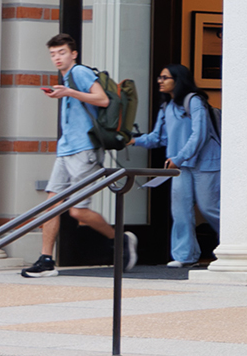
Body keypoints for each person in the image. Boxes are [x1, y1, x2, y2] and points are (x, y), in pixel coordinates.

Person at [21, 34, 136, 277]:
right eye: (53, 54)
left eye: (61, 52)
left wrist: (69, 93)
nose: (57, 58)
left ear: (73, 53)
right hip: (66, 149)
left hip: (85, 150)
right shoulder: (66, 79)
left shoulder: (80, 72)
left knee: (77, 211)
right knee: (51, 205)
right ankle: (46, 259)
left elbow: (102, 99)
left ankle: (121, 238)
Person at [128, 64, 222, 268]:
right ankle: (184, 255)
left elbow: (200, 134)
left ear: (178, 80)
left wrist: (178, 158)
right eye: (159, 78)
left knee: (209, 208)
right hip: (180, 166)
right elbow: (158, 138)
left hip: (205, 163)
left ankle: (231, 244)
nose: (160, 81)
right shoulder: (166, 107)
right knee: (180, 211)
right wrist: (133, 141)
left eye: (165, 78)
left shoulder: (194, 101)